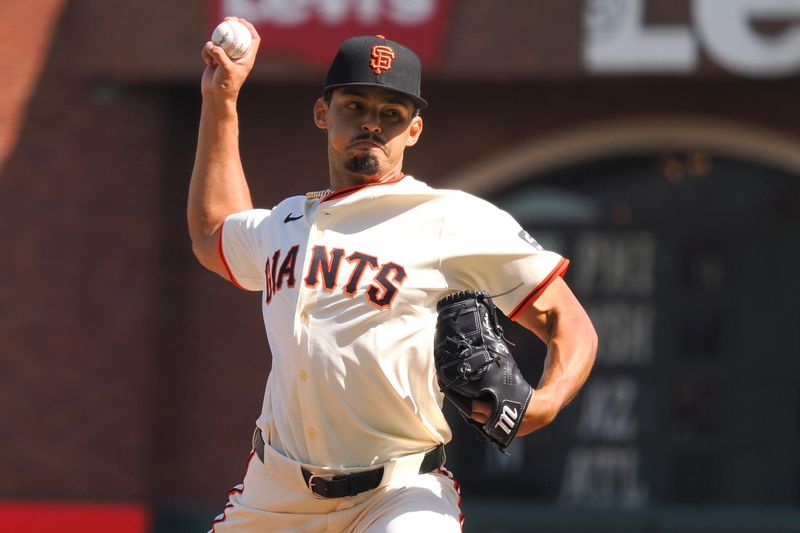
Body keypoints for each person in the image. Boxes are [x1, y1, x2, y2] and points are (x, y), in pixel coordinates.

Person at [188, 17, 597, 533]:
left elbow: (567, 319)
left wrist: (547, 401)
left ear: (415, 129)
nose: (372, 123)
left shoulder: (449, 217)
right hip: (277, 493)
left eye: (392, 112)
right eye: (354, 106)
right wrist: (221, 100)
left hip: (399, 492)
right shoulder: (285, 222)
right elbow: (212, 233)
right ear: (322, 113)